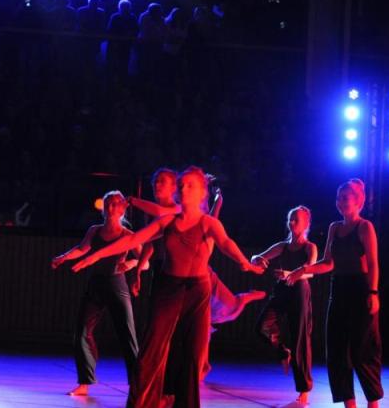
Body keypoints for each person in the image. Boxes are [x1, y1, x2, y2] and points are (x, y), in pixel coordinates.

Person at [72, 166, 265, 408]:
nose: (184, 189)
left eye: (190, 185)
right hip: (169, 289)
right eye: (181, 185)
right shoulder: (167, 221)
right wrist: (94, 256)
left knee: (193, 355)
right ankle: (143, 403)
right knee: (152, 349)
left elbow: (226, 243)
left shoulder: (208, 223)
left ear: (202, 193)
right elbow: (133, 239)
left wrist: (245, 263)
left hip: (197, 291)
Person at [286, 179, 382, 408]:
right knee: (337, 352)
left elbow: (373, 263)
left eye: (345, 198)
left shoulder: (364, 227)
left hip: (361, 290)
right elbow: (328, 263)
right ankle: (349, 404)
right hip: (338, 290)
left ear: (358, 201)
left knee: (362, 351)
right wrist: (303, 269)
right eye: (338, 198)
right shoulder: (334, 228)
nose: (340, 202)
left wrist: (373, 292)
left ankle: (373, 403)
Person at [52, 190, 141, 396]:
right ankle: (85, 382)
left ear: (122, 209)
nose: (109, 208)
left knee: (127, 336)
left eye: (114, 204)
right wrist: (64, 257)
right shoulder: (94, 230)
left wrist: (129, 265)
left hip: (117, 285)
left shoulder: (128, 235)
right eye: (107, 204)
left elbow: (142, 260)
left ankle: (137, 384)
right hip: (96, 286)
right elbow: (82, 249)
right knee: (81, 333)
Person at [251, 206, 317, 404]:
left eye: (296, 220)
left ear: (306, 224)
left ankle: (304, 389)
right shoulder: (282, 246)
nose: (292, 223)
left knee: (300, 340)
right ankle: (282, 351)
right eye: (291, 219)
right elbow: (258, 257)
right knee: (262, 327)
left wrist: (291, 274)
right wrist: (257, 259)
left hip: (299, 291)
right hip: (282, 290)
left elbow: (311, 272)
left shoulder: (309, 247)